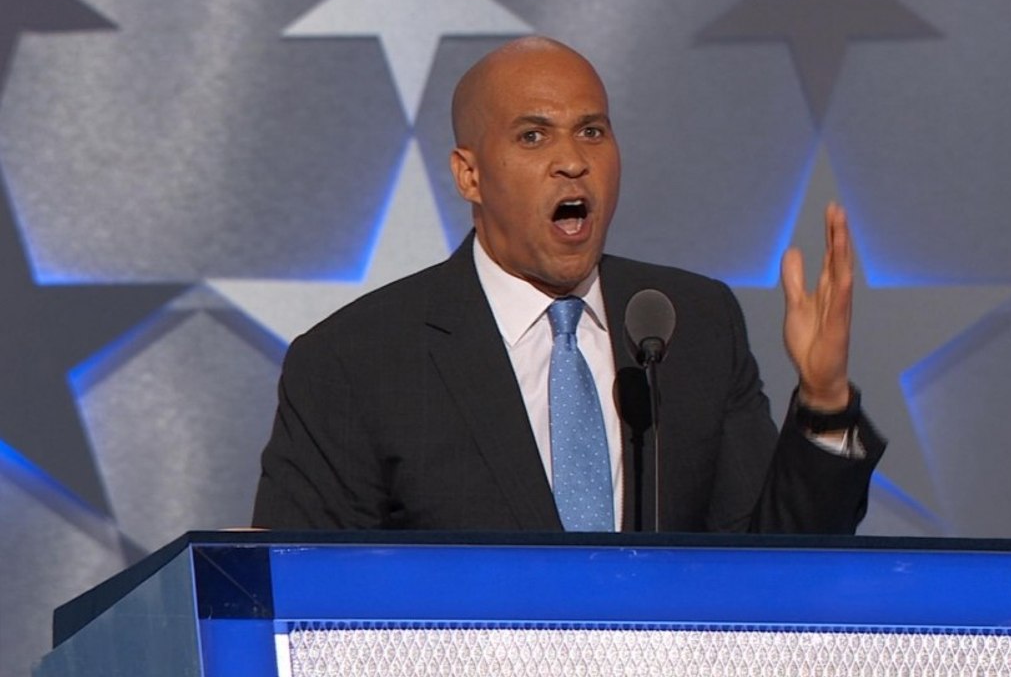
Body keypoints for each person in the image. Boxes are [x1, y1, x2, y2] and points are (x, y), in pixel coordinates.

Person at [252, 36, 884, 533]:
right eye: (532, 136)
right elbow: (309, 598)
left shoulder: (691, 323)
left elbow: (774, 570)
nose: (573, 160)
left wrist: (825, 399)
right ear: (469, 176)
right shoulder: (354, 362)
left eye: (592, 131)